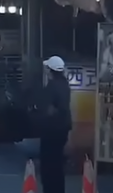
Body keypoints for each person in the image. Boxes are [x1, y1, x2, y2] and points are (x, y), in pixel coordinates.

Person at [38, 56, 73, 193]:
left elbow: (46, 109)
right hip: (63, 129)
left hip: (51, 131)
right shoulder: (65, 84)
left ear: (50, 70)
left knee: (48, 165)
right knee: (58, 165)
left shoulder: (51, 87)